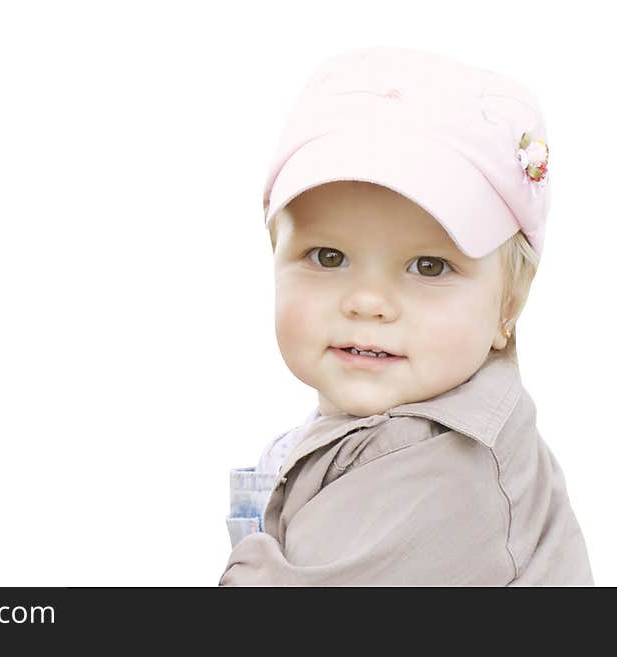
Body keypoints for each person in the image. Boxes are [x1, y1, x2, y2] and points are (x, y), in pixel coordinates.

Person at [219, 46, 594, 586]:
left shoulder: (441, 475)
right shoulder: (404, 421)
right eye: (329, 257)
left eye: (428, 266)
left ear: (509, 305)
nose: (369, 302)